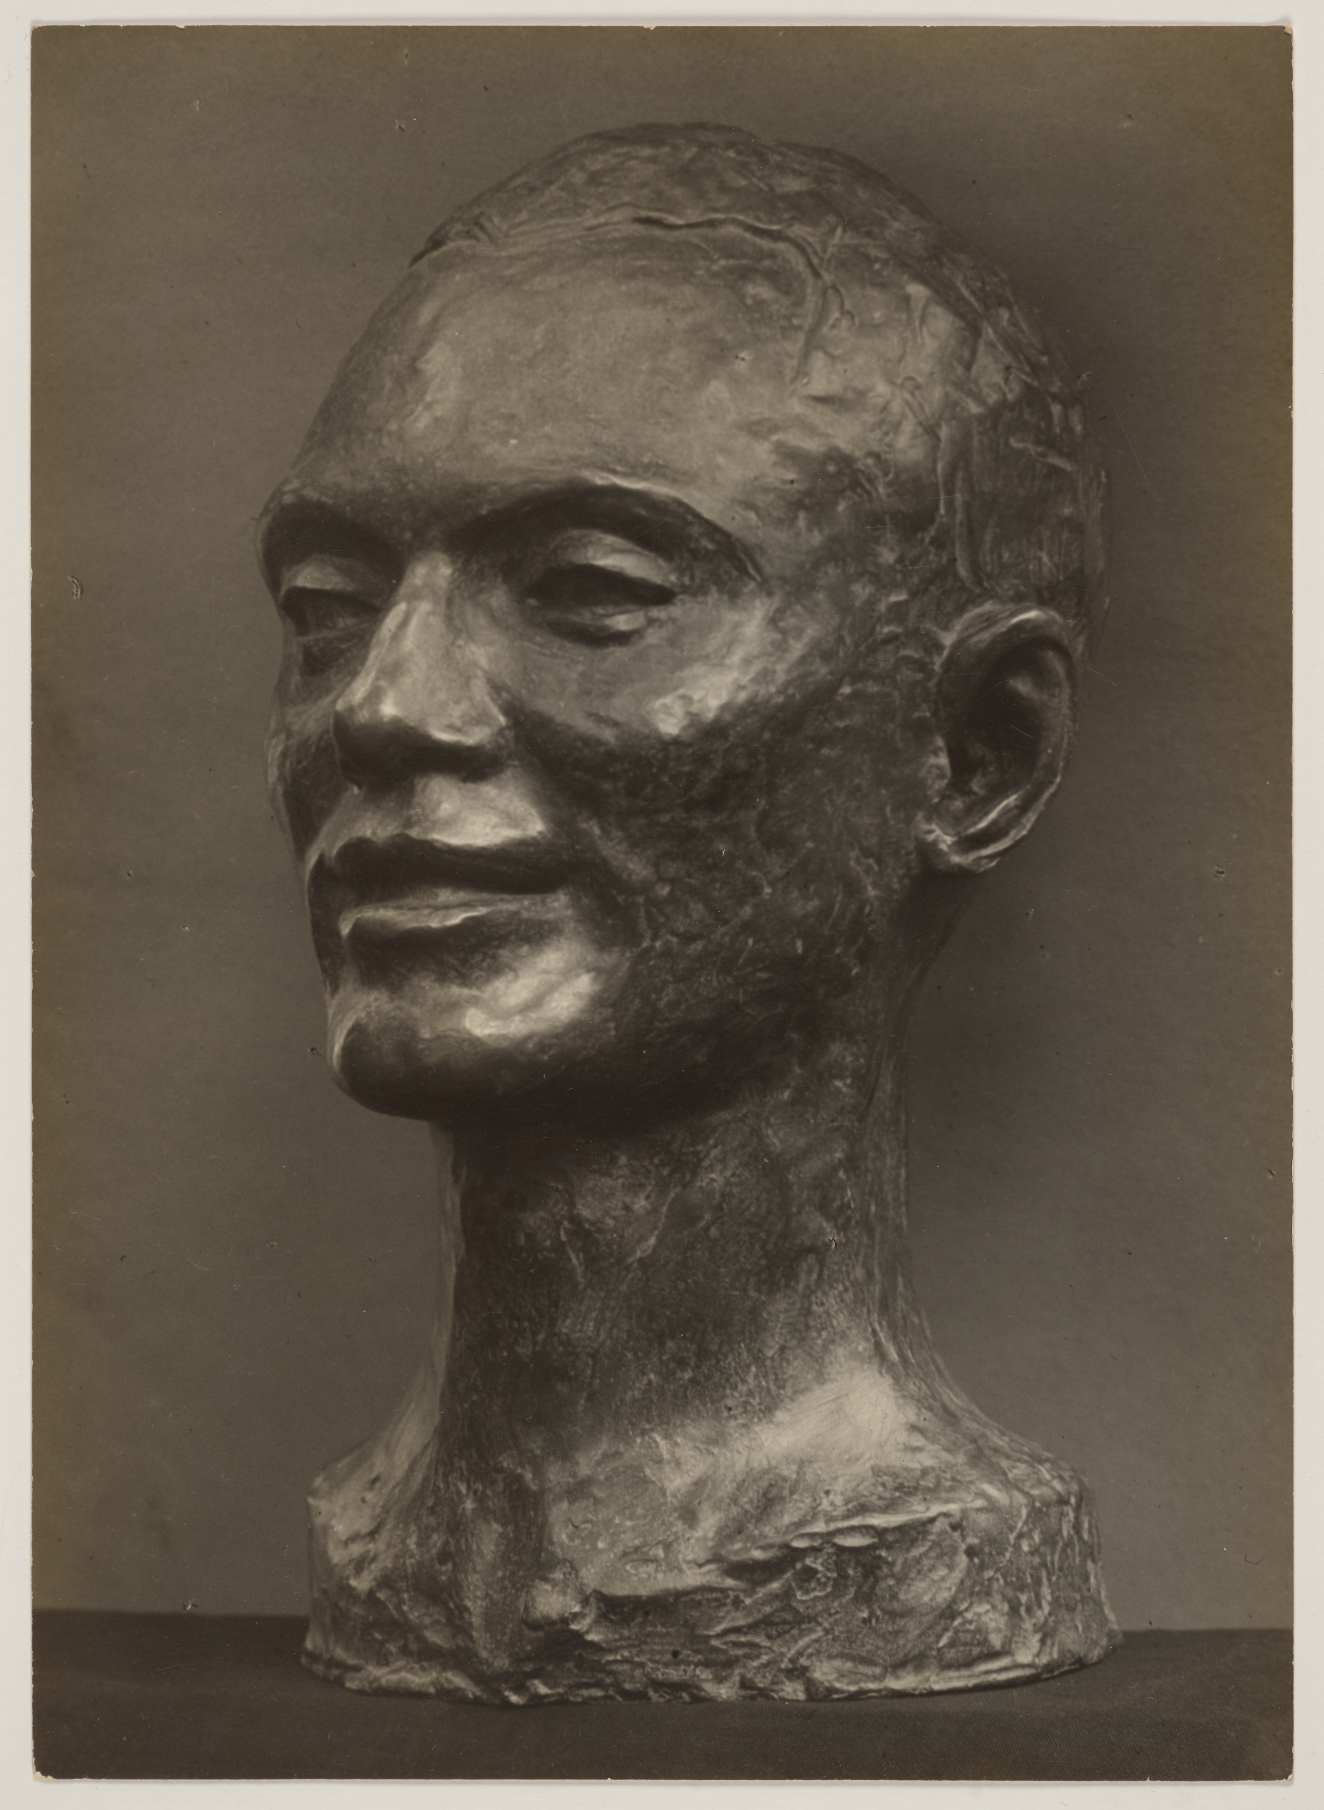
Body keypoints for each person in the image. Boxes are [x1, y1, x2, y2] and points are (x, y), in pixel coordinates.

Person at [259, 123, 1116, 1702]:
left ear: (979, 751)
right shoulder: (386, 1534)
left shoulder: (906, 1541)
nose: (378, 708)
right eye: (326, 610)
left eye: (594, 590)